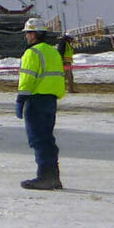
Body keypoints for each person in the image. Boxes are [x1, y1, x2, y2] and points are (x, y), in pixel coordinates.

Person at [16, 18, 68, 190]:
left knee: (38, 139)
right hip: (51, 101)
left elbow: (27, 78)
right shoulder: (53, 52)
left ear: (35, 34)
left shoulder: (32, 53)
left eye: (28, 33)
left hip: (36, 100)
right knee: (47, 139)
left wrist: (21, 99)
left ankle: (44, 177)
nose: (26, 37)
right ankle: (54, 176)